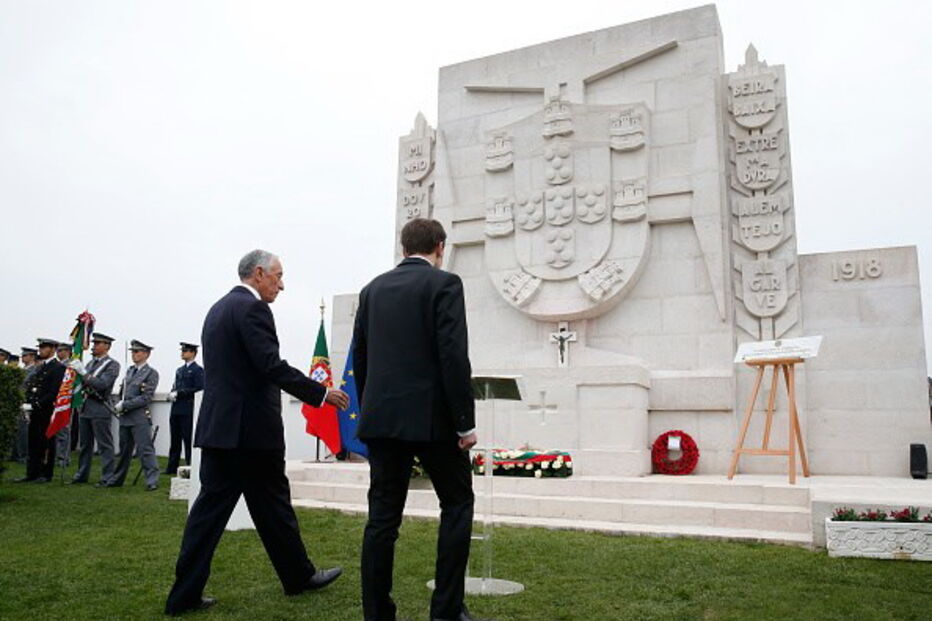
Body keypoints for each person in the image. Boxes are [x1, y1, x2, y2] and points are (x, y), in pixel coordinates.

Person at [164, 249, 351, 616]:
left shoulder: (217, 309)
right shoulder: (253, 309)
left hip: (221, 431)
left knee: (232, 514)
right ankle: (298, 577)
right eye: (278, 276)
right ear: (259, 273)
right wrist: (320, 393)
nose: (281, 285)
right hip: (249, 436)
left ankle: (186, 595)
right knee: (271, 507)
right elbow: (270, 365)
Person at [353, 218, 486, 621]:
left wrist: (372, 410)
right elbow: (452, 356)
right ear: (440, 246)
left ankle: (377, 613)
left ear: (403, 245)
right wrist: (465, 422)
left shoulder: (371, 290)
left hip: (382, 421)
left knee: (382, 520)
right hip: (434, 423)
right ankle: (445, 610)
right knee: (458, 504)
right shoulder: (445, 284)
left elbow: (361, 357)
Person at [69, 333, 121, 486]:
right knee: (85, 445)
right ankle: (82, 474)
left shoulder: (112, 365)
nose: (94, 345)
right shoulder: (91, 363)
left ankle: (107, 476)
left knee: (104, 445)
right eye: (94, 343)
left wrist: (84, 373)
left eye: (98, 343)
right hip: (86, 407)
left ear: (107, 346)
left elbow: (102, 384)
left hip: (100, 407)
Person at [108, 340, 160, 489]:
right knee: (124, 451)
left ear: (146, 354)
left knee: (145, 450)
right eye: (133, 351)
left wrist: (125, 404)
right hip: (125, 417)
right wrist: (119, 404)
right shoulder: (130, 371)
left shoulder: (151, 373)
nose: (134, 354)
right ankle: (117, 479)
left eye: (137, 352)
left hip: (139, 417)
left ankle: (151, 481)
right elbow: (123, 393)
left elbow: (146, 397)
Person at [16, 338, 66, 483]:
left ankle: (45, 473)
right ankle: (32, 473)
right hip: (36, 411)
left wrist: (36, 404)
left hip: (47, 410)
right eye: (41, 347)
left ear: (53, 349)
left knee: (46, 443)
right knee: (33, 442)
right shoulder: (41, 367)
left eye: (44, 347)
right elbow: (33, 387)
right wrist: (28, 403)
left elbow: (53, 392)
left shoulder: (58, 367)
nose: (41, 350)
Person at [165, 342, 205, 475]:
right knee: (174, 440)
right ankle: (171, 467)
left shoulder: (197, 370)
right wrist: (172, 393)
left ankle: (190, 466)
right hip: (176, 408)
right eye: (182, 350)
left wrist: (180, 393)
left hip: (187, 408)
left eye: (186, 351)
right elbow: (175, 385)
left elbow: (199, 388)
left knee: (188, 440)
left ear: (193, 353)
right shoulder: (180, 370)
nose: (183, 353)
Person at [11, 347, 38, 463]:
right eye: (23, 355)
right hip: (18, 401)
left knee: (24, 430)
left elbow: (24, 385)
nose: (23, 358)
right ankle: (16, 454)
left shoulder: (34, 370)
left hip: (26, 402)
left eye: (25, 355)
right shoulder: (23, 370)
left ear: (32, 357)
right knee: (17, 430)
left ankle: (24, 455)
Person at [54, 341, 74, 466]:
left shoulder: (71, 365)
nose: (58, 353)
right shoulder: (58, 365)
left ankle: (64, 457)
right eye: (58, 351)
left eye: (61, 350)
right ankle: (57, 455)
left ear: (68, 351)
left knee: (63, 430)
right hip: (56, 400)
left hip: (65, 400)